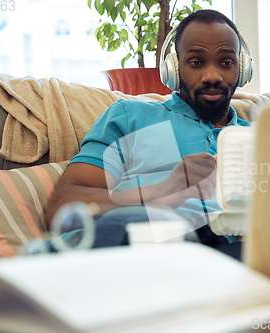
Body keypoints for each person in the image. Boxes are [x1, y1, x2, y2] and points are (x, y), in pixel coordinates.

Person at [46, 9, 252, 257]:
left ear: (242, 70)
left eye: (226, 63)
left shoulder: (260, 138)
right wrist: (163, 193)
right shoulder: (130, 115)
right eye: (196, 62)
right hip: (137, 247)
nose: (212, 76)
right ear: (173, 70)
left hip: (225, 254)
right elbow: (63, 206)